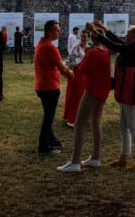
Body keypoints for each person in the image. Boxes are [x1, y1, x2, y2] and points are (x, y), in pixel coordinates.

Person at [91, 22, 135, 170]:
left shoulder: (133, 49)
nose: (125, 35)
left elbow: (115, 46)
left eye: (128, 34)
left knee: (133, 126)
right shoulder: (132, 47)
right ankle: (124, 157)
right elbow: (118, 42)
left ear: (134, 36)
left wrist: (98, 34)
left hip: (129, 91)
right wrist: (105, 29)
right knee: (124, 126)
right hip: (125, 90)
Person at [57, 30, 111, 172]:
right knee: (96, 124)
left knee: (79, 124)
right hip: (102, 92)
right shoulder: (105, 52)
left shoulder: (92, 52)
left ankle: (75, 162)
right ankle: (95, 157)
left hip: (92, 91)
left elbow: (82, 68)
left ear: (92, 38)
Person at [34, 20, 74, 155]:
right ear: (50, 31)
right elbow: (62, 68)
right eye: (57, 30)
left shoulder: (41, 43)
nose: (59, 32)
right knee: (48, 118)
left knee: (48, 115)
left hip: (41, 85)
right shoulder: (50, 47)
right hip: (49, 87)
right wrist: (71, 74)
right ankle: (43, 147)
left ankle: (52, 141)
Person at [62, 30, 89, 128]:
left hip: (85, 75)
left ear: (88, 38)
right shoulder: (76, 47)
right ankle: (72, 118)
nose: (83, 38)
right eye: (82, 36)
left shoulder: (89, 49)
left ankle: (83, 117)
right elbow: (71, 60)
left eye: (85, 36)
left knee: (83, 96)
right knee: (74, 95)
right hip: (76, 74)